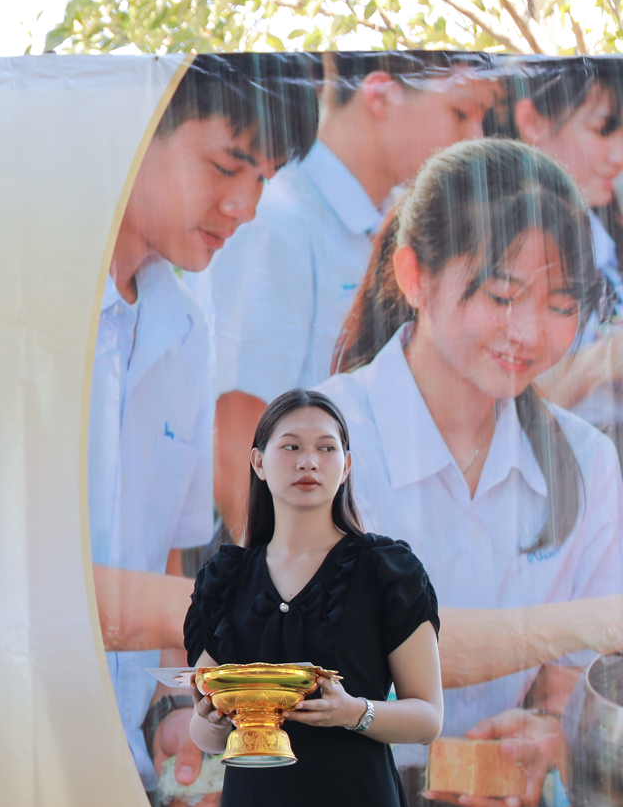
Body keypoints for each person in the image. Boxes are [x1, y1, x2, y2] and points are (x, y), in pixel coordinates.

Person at [321, 137, 623, 807]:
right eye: (501, 294)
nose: (529, 331)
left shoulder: (585, 463)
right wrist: (584, 622)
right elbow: (363, 647)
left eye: (561, 305)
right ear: (414, 275)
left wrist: (545, 732)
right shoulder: (322, 439)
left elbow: (572, 677)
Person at [182, 389, 445, 807]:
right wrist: (210, 715)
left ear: (347, 465)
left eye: (326, 448)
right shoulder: (225, 578)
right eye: (291, 446)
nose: (309, 461)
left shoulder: (386, 570)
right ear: (258, 462)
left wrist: (355, 712)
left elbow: (426, 716)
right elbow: (205, 734)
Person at [89, 53, 319, 804]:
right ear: (136, 134)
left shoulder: (187, 334)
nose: (243, 207)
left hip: (117, 775)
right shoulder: (28, 321)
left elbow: (160, 562)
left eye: (264, 180)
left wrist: (173, 712)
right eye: (226, 166)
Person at [208, 51, 496, 538]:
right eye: (461, 111)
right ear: (380, 94)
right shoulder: (279, 219)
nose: (476, 137)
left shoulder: (397, 221)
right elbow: (238, 425)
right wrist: (287, 569)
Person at [490, 57, 623, 431]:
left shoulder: (602, 239)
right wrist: (602, 360)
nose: (619, 156)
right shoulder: (496, 244)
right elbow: (492, 408)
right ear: (532, 121)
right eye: (602, 130)